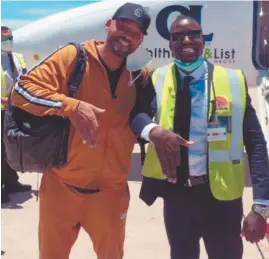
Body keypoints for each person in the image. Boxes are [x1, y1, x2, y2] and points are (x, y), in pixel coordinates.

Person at [10, 3, 151, 259]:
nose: (127, 35)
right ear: (109, 25)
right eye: (123, 26)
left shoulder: (139, 76)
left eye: (136, 32)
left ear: (141, 40)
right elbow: (21, 91)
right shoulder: (74, 57)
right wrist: (70, 106)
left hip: (110, 194)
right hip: (62, 188)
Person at [130, 15, 269, 259]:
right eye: (178, 36)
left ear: (203, 41)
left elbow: (256, 143)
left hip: (221, 198)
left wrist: (261, 206)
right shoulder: (157, 78)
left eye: (194, 34)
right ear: (170, 43)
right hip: (177, 197)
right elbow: (137, 115)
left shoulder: (232, 81)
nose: (187, 40)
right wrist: (153, 131)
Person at [1, 26, 31, 203]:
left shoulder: (18, 57)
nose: (8, 42)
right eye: (4, 39)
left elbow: (25, 80)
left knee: (11, 147)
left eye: (10, 38)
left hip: (14, 110)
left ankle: (11, 182)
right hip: (1, 109)